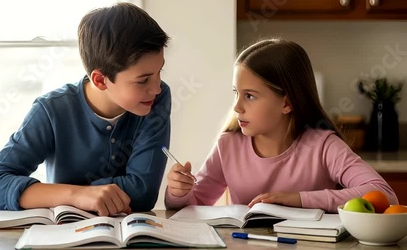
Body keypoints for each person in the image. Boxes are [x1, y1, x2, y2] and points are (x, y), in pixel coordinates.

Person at [0, 2, 171, 216]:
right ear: (100, 80)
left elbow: (142, 193)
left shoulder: (156, 100)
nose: (156, 87)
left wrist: (51, 193)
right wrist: (75, 195)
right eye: (143, 80)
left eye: (159, 72)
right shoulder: (51, 110)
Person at [165, 38, 398, 213]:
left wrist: (298, 199)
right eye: (236, 93)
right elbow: (194, 205)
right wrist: (178, 193)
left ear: (286, 103)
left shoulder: (324, 146)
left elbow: (385, 195)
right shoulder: (228, 145)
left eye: (250, 96)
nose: (237, 107)